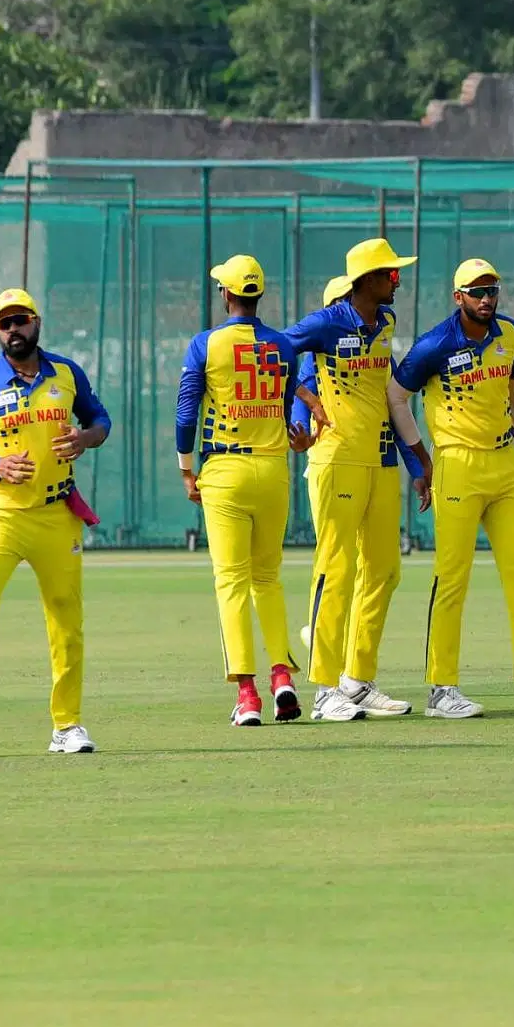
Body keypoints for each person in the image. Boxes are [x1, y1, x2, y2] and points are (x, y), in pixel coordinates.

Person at [0, 288, 110, 756]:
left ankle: (67, 726)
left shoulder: (67, 373)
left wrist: (85, 438)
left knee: (66, 622)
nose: (13, 329)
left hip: (57, 515)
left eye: (20, 320)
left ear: (36, 322)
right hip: (3, 516)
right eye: (4, 323)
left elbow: (99, 418)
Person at [388, 259, 514, 719]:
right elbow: (396, 396)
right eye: (477, 292)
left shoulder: (511, 334)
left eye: (493, 290)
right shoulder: (434, 344)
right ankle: (441, 691)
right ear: (457, 296)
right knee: (452, 579)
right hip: (457, 466)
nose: (487, 300)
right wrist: (421, 457)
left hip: (504, 462)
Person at [285, 237, 422, 722]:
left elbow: (389, 395)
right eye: (391, 274)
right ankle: (324, 691)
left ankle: (358, 682)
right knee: (336, 571)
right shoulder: (325, 322)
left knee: (385, 570)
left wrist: (416, 462)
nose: (397, 281)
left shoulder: (386, 322)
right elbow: (276, 351)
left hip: (381, 464)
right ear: (366, 280)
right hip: (336, 460)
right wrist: (303, 403)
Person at [176, 256, 310, 727]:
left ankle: (248, 695)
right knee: (267, 579)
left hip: (226, 469)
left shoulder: (205, 345)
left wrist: (186, 469)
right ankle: (283, 677)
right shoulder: (284, 345)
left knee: (231, 582)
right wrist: (299, 431)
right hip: (273, 471)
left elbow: (186, 415)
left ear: (227, 295)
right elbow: (292, 399)